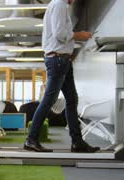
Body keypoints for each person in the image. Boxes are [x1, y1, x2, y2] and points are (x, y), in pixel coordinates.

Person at [24, 0, 100, 153]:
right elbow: (60, 34)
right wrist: (79, 35)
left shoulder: (60, 5)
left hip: (63, 60)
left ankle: (77, 142)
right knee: (49, 100)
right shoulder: (59, 4)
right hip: (58, 60)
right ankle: (31, 139)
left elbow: (61, 34)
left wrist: (75, 37)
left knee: (72, 100)